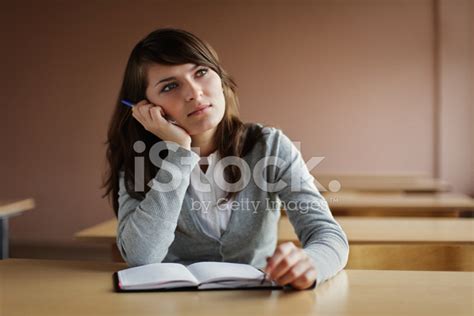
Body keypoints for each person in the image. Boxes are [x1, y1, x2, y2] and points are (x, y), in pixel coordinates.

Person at [102, 28, 348, 290]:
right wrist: (180, 154)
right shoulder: (140, 158)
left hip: (258, 304)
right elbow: (141, 257)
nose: (194, 93)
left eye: (201, 72)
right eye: (170, 86)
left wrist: (309, 263)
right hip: (174, 305)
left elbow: (329, 236)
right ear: (145, 108)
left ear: (220, 78)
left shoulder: (268, 146)